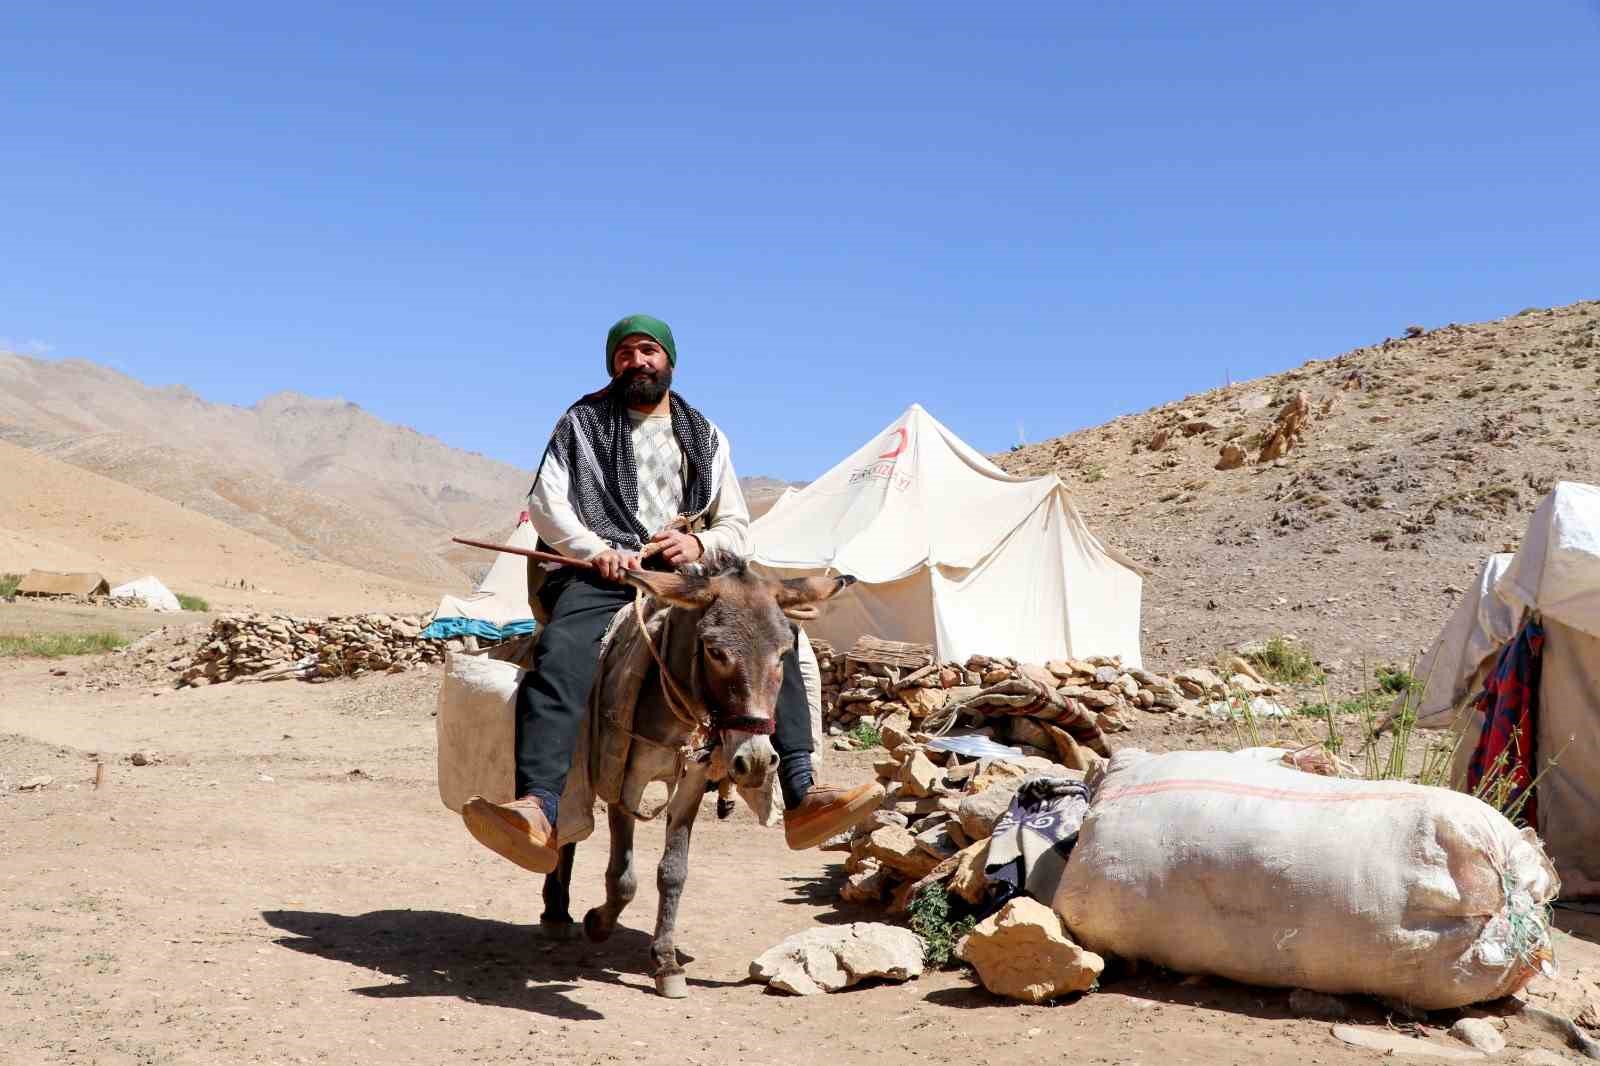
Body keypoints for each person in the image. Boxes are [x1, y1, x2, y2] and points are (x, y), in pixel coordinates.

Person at [462, 314, 883, 874]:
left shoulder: (706, 435)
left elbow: (736, 525)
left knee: (772, 634)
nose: (636, 362)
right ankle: (540, 807)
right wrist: (596, 549)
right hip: (602, 575)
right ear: (612, 364)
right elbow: (547, 504)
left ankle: (802, 794)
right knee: (563, 651)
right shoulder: (580, 423)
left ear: (669, 360)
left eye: (647, 351)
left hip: (689, 577)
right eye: (623, 354)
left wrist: (698, 543)